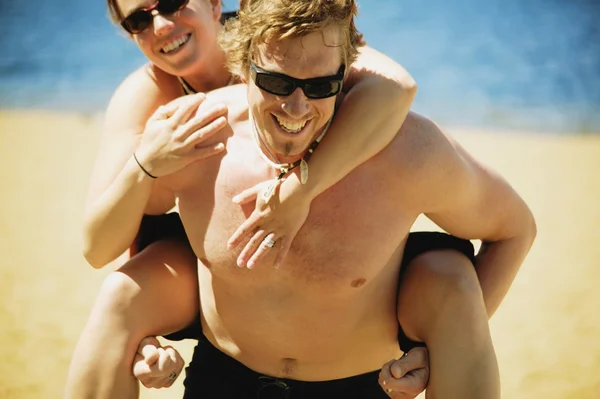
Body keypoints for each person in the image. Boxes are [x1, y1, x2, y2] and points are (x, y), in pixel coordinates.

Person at [63, 0, 536, 398]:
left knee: (451, 280)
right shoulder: (185, 137)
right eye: (275, 82)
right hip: (224, 375)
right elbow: (121, 246)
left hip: (365, 383)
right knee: (120, 294)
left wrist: (436, 355)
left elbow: (514, 228)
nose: (295, 106)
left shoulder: (406, 149)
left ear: (347, 73)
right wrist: (145, 336)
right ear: (241, 66)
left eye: (320, 87)